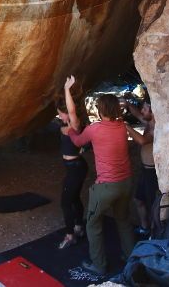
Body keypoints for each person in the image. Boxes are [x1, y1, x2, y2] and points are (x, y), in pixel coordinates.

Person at [64, 76, 135, 276]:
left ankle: (100, 265)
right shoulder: (122, 127)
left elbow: (78, 141)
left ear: (100, 109)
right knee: (123, 220)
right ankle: (131, 259)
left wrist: (69, 130)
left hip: (105, 187)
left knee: (93, 225)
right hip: (126, 182)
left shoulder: (95, 129)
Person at [54, 100, 88, 249]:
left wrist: (67, 89)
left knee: (65, 202)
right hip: (74, 167)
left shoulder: (75, 124)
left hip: (76, 167)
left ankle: (70, 235)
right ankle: (79, 227)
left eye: (61, 113)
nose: (59, 115)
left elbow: (72, 111)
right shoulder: (64, 125)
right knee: (74, 198)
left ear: (67, 112)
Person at [125, 100, 158, 234]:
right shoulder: (148, 122)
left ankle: (155, 233)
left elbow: (142, 140)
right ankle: (145, 227)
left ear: (153, 111)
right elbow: (138, 114)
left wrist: (127, 127)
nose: (142, 111)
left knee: (153, 205)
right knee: (138, 200)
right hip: (145, 170)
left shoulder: (156, 127)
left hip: (152, 173)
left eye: (145, 109)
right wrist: (127, 104)